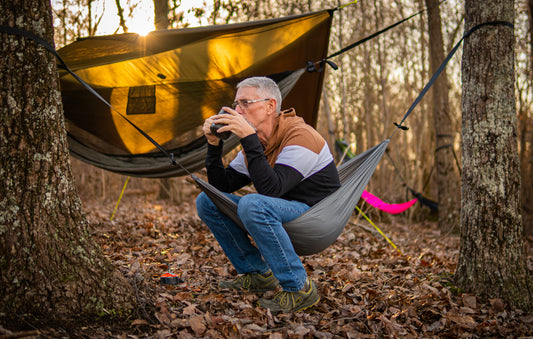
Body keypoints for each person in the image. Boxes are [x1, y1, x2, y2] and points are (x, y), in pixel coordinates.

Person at [196, 76, 340, 313]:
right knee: (207, 200)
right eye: (236, 104)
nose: (237, 111)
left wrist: (249, 140)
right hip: (284, 210)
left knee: (253, 204)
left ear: (270, 106)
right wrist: (214, 146)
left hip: (316, 216)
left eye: (245, 103)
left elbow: (272, 190)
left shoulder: (301, 136)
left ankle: (299, 288)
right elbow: (221, 188)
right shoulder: (258, 143)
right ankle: (257, 275)